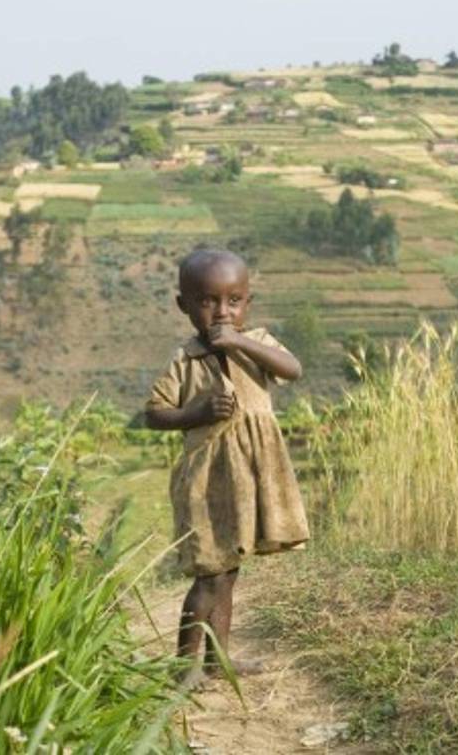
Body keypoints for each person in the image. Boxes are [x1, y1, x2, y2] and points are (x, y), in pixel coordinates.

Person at [144, 248, 309, 686]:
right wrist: (194, 414)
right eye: (207, 301)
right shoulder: (184, 361)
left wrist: (240, 341)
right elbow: (154, 413)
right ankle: (184, 667)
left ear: (247, 302)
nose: (222, 313)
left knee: (228, 572)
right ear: (183, 305)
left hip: (247, 479)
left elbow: (292, 369)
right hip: (205, 482)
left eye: (233, 301)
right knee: (209, 574)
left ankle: (217, 660)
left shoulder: (256, 346)